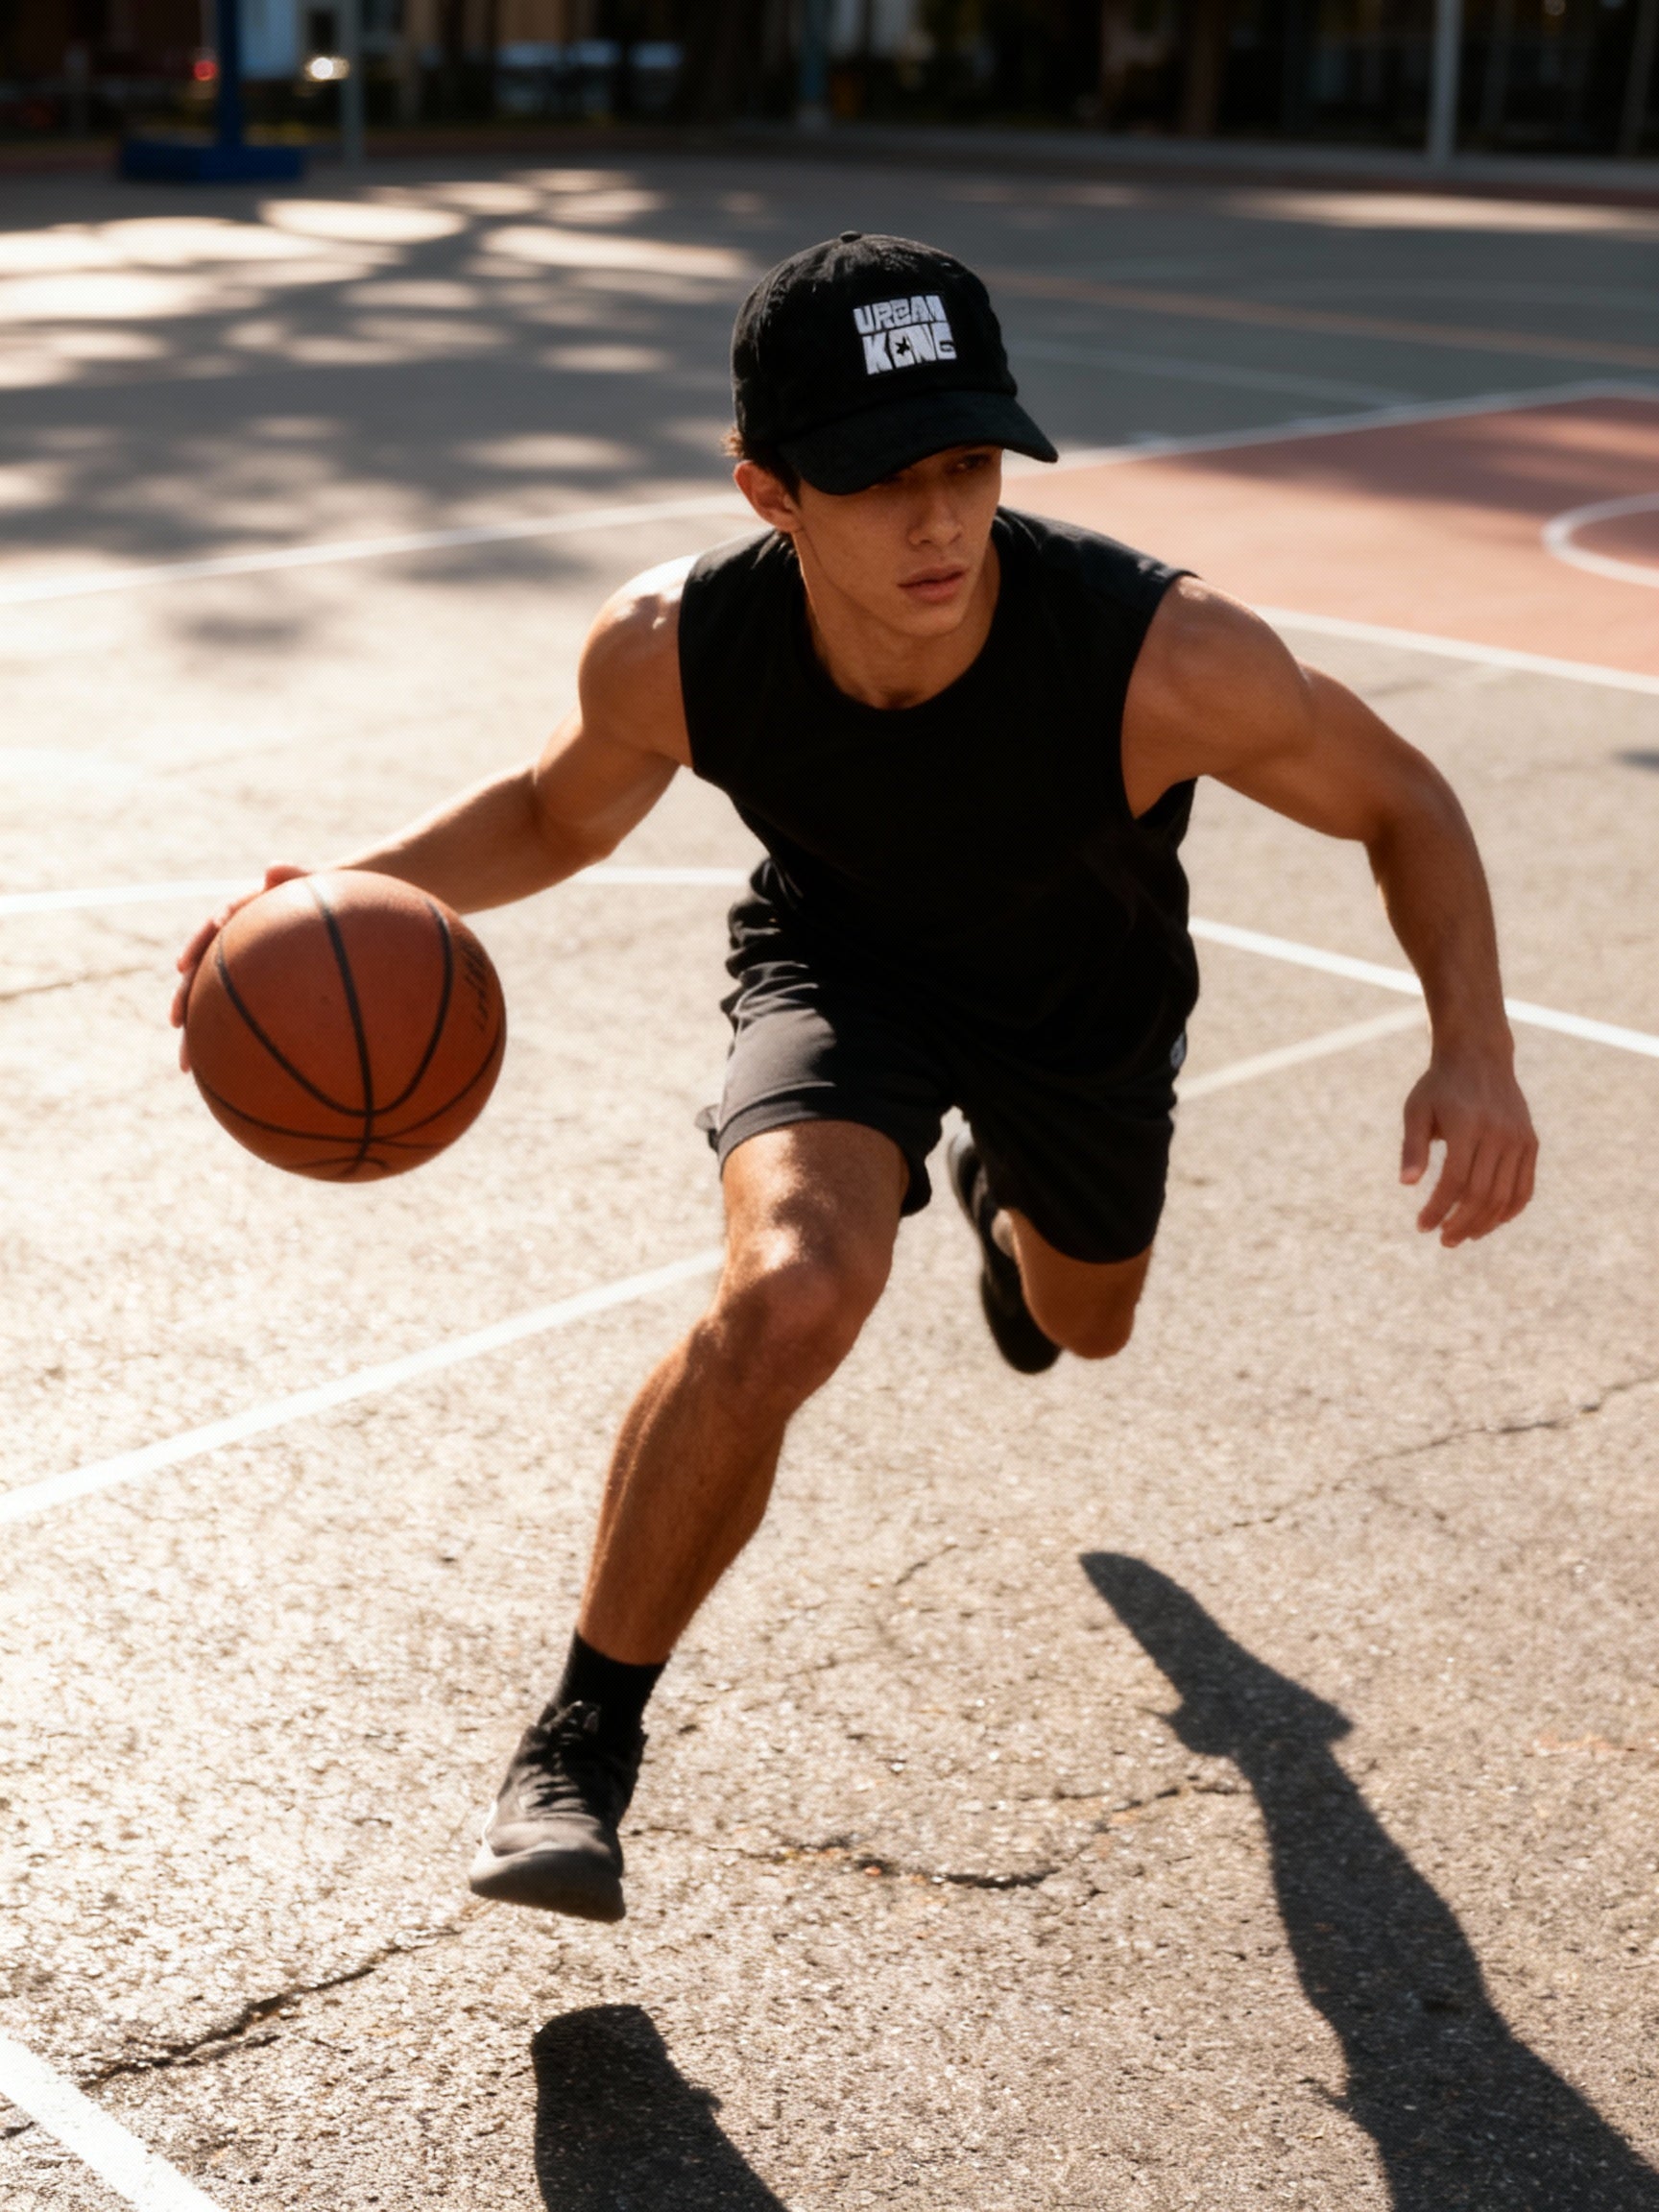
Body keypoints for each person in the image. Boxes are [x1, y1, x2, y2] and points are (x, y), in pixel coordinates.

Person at [173, 232, 1538, 1925]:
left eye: (967, 465)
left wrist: (1471, 1048)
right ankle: (582, 1743)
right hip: (846, 972)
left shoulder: (1159, 652)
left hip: (1083, 1013)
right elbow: (550, 815)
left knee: (1087, 1319)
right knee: (793, 1292)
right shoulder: (677, 647)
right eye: (883, 479)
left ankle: (1001, 1196)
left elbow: (1405, 797)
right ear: (770, 492)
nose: (941, 520)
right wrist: (319, 900)